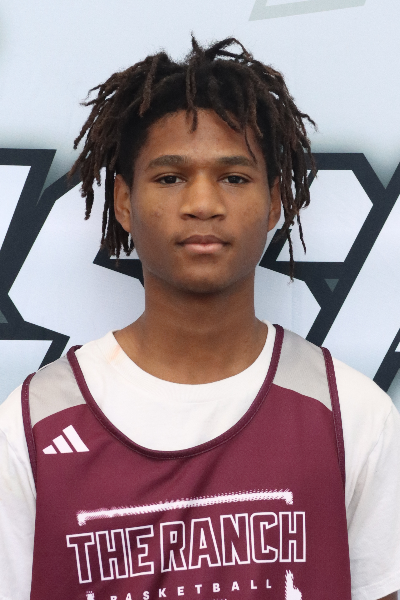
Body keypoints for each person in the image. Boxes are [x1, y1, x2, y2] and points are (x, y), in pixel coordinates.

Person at [0, 37, 399, 600]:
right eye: (170, 178)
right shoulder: (33, 422)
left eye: (234, 177)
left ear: (275, 202)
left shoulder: (350, 414)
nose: (203, 204)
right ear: (123, 202)